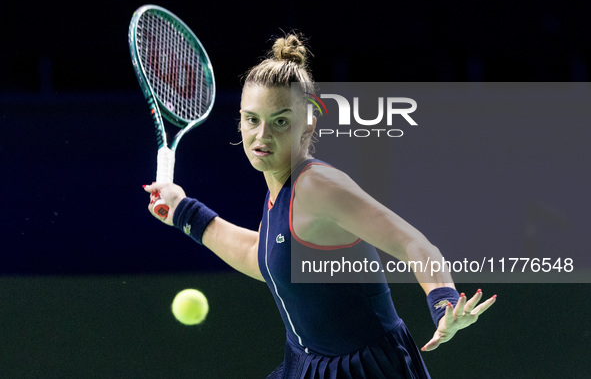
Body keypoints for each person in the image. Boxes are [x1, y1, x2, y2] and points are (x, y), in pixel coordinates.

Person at [143, 33, 496, 378]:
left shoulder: (317, 187)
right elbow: (263, 256)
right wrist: (184, 211)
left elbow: (412, 243)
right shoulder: (278, 186)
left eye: (280, 121)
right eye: (252, 119)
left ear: (308, 123)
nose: (261, 135)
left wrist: (443, 300)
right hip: (307, 362)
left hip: (367, 367)